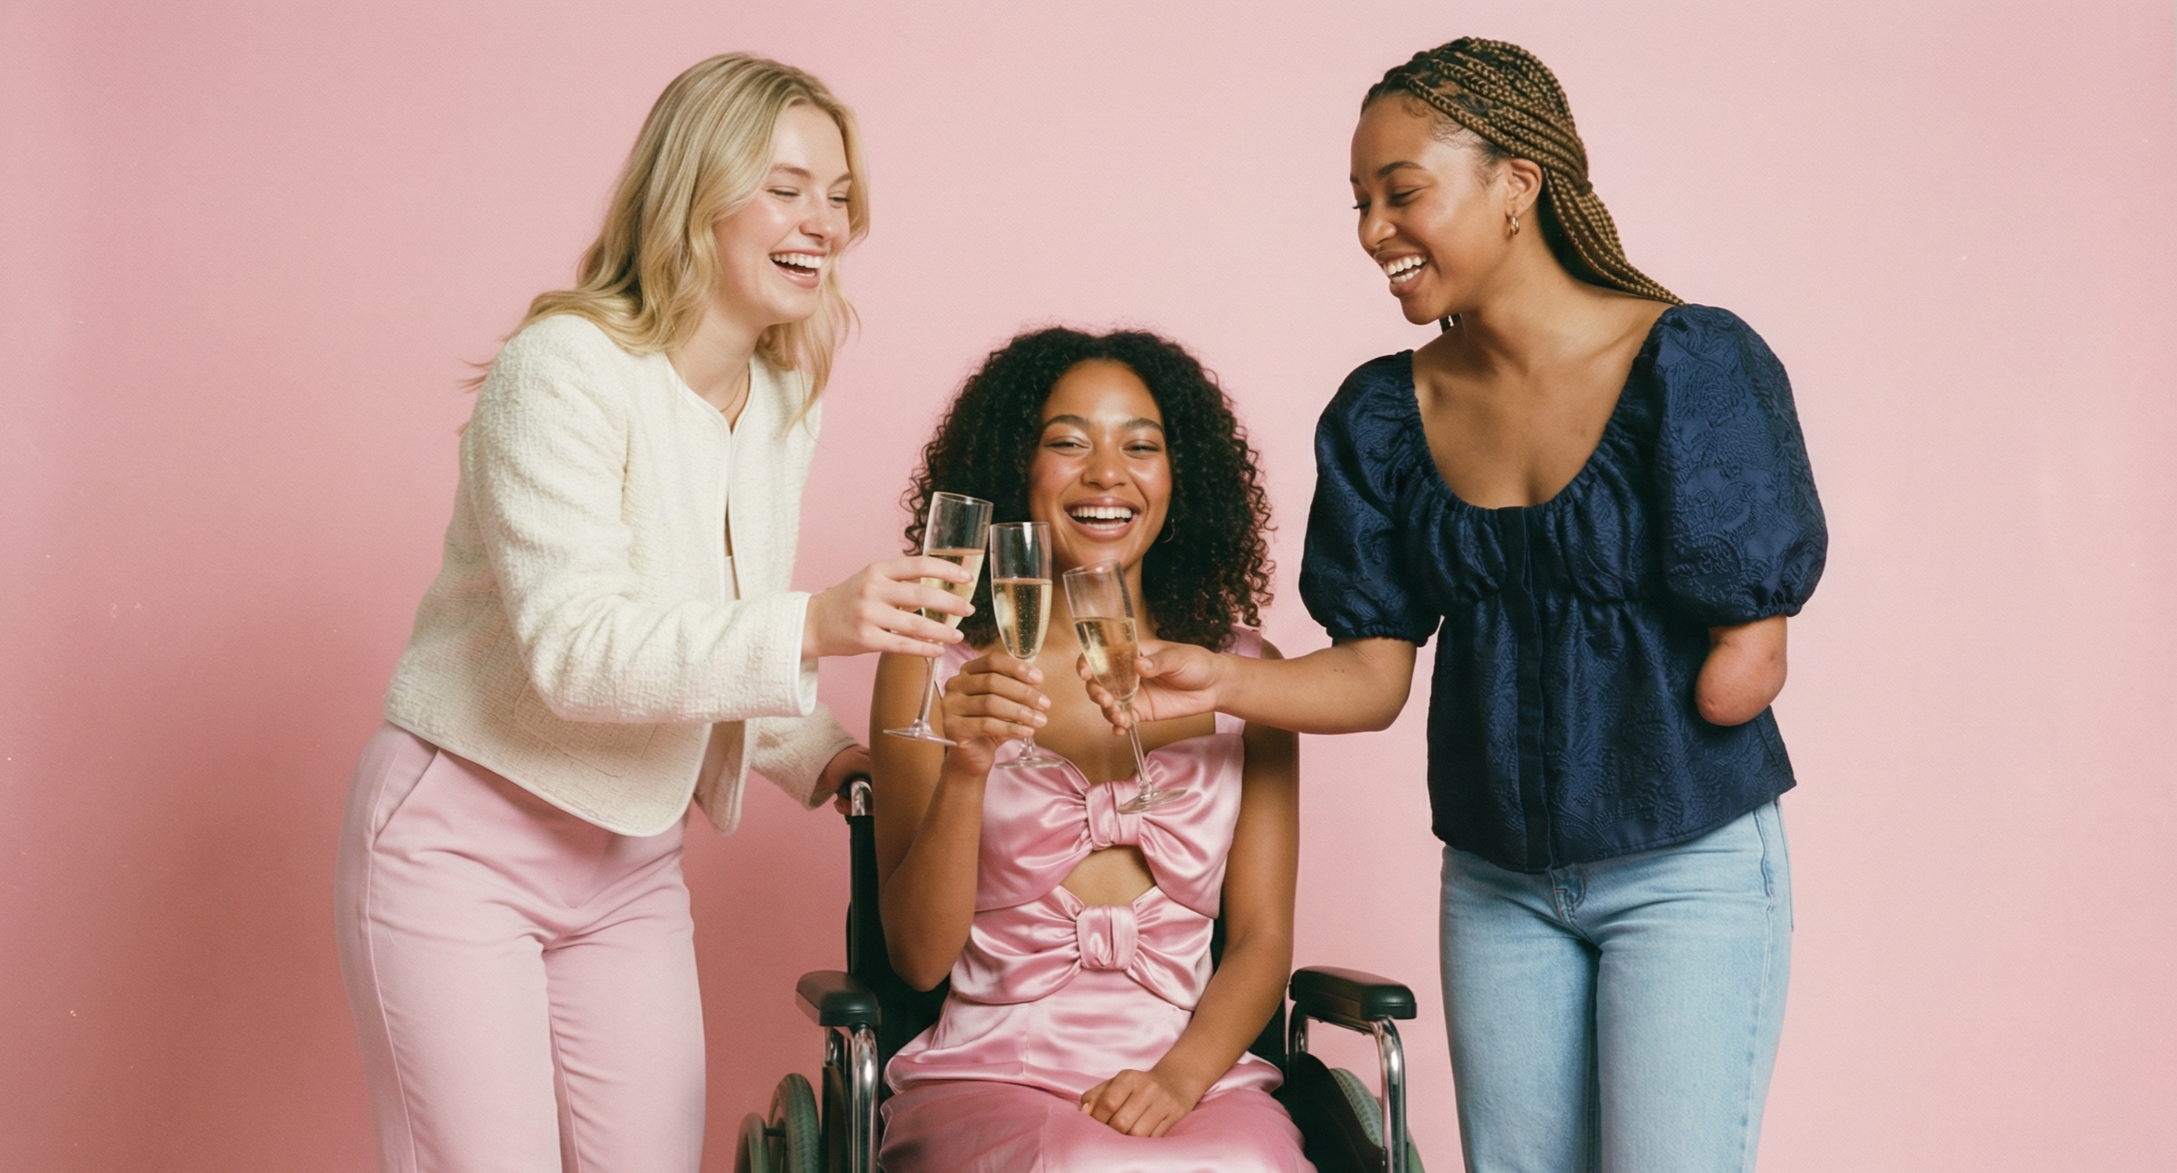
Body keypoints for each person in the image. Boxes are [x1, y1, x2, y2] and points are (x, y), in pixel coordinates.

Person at [1084, 39, 1826, 1173]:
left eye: (1402, 193)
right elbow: (1373, 675)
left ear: (1516, 185)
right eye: (1360, 202)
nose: (1373, 229)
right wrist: (1224, 677)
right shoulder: (1383, 413)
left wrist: (1712, 651)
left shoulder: (1690, 365)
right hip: (1496, 889)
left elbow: (1743, 672)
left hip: (1684, 871)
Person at [333, 55, 978, 1173]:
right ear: (694, 191)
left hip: (630, 857)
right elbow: (577, 653)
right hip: (464, 843)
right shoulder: (562, 371)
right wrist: (820, 621)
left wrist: (835, 759)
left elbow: (702, 633)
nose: (821, 222)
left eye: (837, 195)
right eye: (785, 187)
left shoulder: (777, 397)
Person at [868, 328, 1311, 1172]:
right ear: (1015, 469)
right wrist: (968, 765)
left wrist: (1179, 1077)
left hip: (1195, 1076)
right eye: (1067, 441)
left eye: (1140, 446)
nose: (1107, 472)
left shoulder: (1249, 678)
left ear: (1180, 482)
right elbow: (917, 960)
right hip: (992, 1074)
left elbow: (1260, 939)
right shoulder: (926, 665)